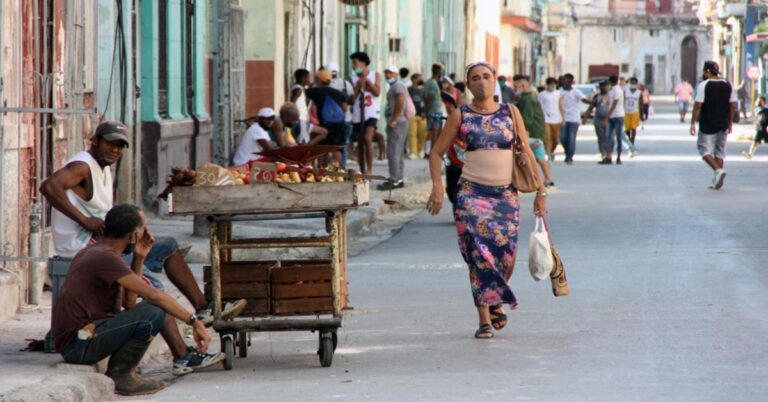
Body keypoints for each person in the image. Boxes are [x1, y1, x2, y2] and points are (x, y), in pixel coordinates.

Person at [40, 121, 245, 377]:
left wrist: (138, 256)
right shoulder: (82, 166)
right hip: (83, 244)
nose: (115, 150)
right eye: (110, 143)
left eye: (120, 146)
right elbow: (48, 186)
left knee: (167, 245)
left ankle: (202, 306)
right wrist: (84, 221)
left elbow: (128, 298)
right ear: (94, 141)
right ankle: (182, 355)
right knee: (155, 293)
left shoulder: (103, 169)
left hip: (103, 241)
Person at [426, 61, 548, 340]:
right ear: (468, 85)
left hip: (506, 195)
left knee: (505, 256)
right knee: (479, 256)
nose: (481, 81)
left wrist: (541, 192)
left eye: (486, 76)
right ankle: (483, 319)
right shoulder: (461, 115)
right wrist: (435, 188)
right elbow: (436, 154)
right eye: (475, 78)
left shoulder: (510, 112)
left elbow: (527, 152)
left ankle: (495, 298)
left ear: (495, 80)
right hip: (471, 195)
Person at [52, 204, 221, 396]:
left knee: (154, 308)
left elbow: (129, 303)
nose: (147, 232)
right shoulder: (105, 258)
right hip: (79, 345)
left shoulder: (101, 252)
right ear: (132, 236)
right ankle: (121, 374)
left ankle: (131, 370)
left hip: (85, 337)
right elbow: (153, 295)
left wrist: (139, 258)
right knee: (154, 310)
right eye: (143, 227)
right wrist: (194, 321)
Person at [689, 60, 737, 190]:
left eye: (705, 71)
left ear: (708, 72)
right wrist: (730, 122)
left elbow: (698, 106)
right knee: (719, 152)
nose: (704, 74)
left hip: (708, 124)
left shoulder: (704, 85)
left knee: (704, 150)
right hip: (723, 123)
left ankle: (718, 171)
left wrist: (693, 122)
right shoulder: (728, 84)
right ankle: (717, 179)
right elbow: (733, 105)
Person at [513, 74, 556, 189]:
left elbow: (527, 118)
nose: (515, 89)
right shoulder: (528, 97)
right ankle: (547, 179)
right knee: (538, 157)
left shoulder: (527, 99)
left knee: (538, 157)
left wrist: (524, 134)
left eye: (516, 86)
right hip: (536, 131)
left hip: (533, 133)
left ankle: (546, 179)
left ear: (522, 85)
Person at [305, 70, 348, 164]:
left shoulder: (314, 92)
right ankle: (336, 171)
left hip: (324, 125)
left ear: (318, 80)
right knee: (337, 148)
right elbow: (344, 108)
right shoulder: (338, 93)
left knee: (322, 148)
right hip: (339, 125)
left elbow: (306, 98)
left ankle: (322, 171)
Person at [349, 51, 381, 174]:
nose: (353, 66)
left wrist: (368, 82)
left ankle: (370, 168)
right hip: (358, 113)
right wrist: (357, 87)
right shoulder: (351, 78)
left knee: (368, 138)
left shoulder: (375, 75)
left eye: (355, 63)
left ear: (363, 63)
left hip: (371, 112)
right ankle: (362, 167)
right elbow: (352, 98)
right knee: (361, 141)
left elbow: (377, 92)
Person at [378, 65, 408, 190]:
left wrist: (394, 119)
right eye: (386, 73)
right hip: (399, 122)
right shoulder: (395, 86)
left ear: (395, 74)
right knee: (398, 152)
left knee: (393, 152)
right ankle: (398, 179)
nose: (387, 75)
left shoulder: (398, 86)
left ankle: (394, 179)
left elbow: (400, 101)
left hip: (397, 122)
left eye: (390, 73)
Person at [326, 62, 355, 167]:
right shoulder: (345, 84)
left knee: (329, 147)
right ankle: (343, 169)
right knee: (343, 147)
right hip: (345, 119)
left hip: (329, 120)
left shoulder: (325, 84)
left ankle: (330, 169)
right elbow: (352, 99)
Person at [559, 73, 591, 164]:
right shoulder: (560, 91)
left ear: (572, 82)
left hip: (574, 119)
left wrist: (593, 101)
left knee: (571, 138)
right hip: (563, 118)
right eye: (565, 80)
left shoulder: (576, 91)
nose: (566, 82)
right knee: (563, 138)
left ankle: (569, 157)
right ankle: (567, 151)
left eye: (569, 80)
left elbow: (584, 99)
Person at [585, 81, 613, 163]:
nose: (603, 88)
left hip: (609, 120)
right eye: (602, 86)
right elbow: (591, 107)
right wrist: (585, 117)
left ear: (608, 86)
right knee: (601, 138)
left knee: (610, 138)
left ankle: (609, 154)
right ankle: (603, 154)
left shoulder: (612, 96)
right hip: (598, 119)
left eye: (605, 86)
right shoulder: (597, 96)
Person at [538, 77, 565, 161]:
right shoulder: (542, 94)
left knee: (555, 138)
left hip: (557, 119)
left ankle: (552, 150)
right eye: (551, 84)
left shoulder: (558, 93)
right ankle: (549, 154)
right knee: (547, 137)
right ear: (547, 84)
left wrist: (563, 118)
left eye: (554, 84)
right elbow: (539, 107)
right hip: (546, 119)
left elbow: (561, 106)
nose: (552, 86)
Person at [423, 63, 446, 158]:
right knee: (436, 133)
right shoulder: (432, 83)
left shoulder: (429, 82)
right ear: (439, 73)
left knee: (432, 133)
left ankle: (430, 153)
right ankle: (433, 154)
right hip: (435, 111)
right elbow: (428, 97)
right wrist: (426, 109)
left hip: (432, 110)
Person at [603, 75, 626, 164]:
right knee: (608, 136)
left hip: (618, 116)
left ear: (611, 82)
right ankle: (608, 157)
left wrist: (607, 116)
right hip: (612, 116)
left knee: (618, 136)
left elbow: (614, 105)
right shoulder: (611, 91)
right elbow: (607, 101)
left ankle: (618, 157)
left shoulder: (617, 91)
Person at [407, 74, 428, 160]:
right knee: (412, 134)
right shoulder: (408, 90)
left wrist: (425, 111)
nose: (421, 80)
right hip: (412, 115)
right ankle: (413, 152)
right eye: (419, 79)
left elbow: (426, 101)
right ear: (414, 80)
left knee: (422, 133)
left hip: (422, 115)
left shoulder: (423, 90)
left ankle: (420, 150)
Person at [290, 68, 312, 143]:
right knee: (303, 142)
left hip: (303, 119)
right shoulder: (298, 90)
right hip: (299, 119)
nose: (310, 80)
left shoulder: (301, 89)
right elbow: (292, 103)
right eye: (308, 77)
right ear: (303, 79)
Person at [623, 77, 642, 157]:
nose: (633, 84)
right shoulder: (625, 92)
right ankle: (629, 143)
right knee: (627, 130)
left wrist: (642, 114)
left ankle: (632, 144)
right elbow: (622, 101)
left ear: (636, 84)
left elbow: (641, 104)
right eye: (632, 83)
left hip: (635, 112)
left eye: (634, 83)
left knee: (633, 129)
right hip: (626, 112)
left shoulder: (639, 93)